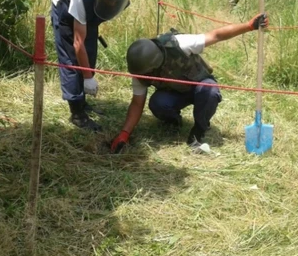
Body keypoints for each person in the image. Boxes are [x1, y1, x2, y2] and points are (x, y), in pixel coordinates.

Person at [110, 13, 268, 153]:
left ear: (154, 65)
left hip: (199, 86)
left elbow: (216, 35)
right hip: (174, 94)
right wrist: (125, 133)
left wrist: (249, 26)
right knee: (157, 103)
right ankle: (174, 122)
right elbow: (137, 103)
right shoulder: (140, 69)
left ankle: (198, 131)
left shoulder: (180, 44)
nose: (142, 76)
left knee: (210, 91)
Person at [51, 0, 133, 131]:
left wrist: (89, 73)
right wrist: (88, 78)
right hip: (66, 10)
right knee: (72, 61)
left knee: (89, 54)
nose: (112, 4)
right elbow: (78, 43)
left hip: (89, 11)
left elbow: (86, 47)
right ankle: (77, 114)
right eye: (109, 0)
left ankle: (83, 102)